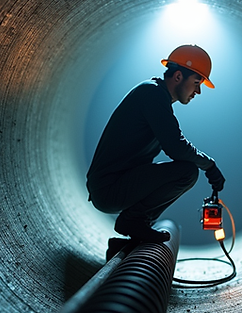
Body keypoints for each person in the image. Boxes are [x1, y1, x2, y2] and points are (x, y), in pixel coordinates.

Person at [86, 44, 226, 243]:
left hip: (113, 186)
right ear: (178, 77)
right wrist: (209, 165)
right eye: (196, 82)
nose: (198, 91)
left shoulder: (155, 96)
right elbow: (176, 147)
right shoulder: (152, 94)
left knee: (185, 170)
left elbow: (175, 144)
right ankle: (134, 221)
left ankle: (137, 223)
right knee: (187, 172)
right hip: (110, 188)